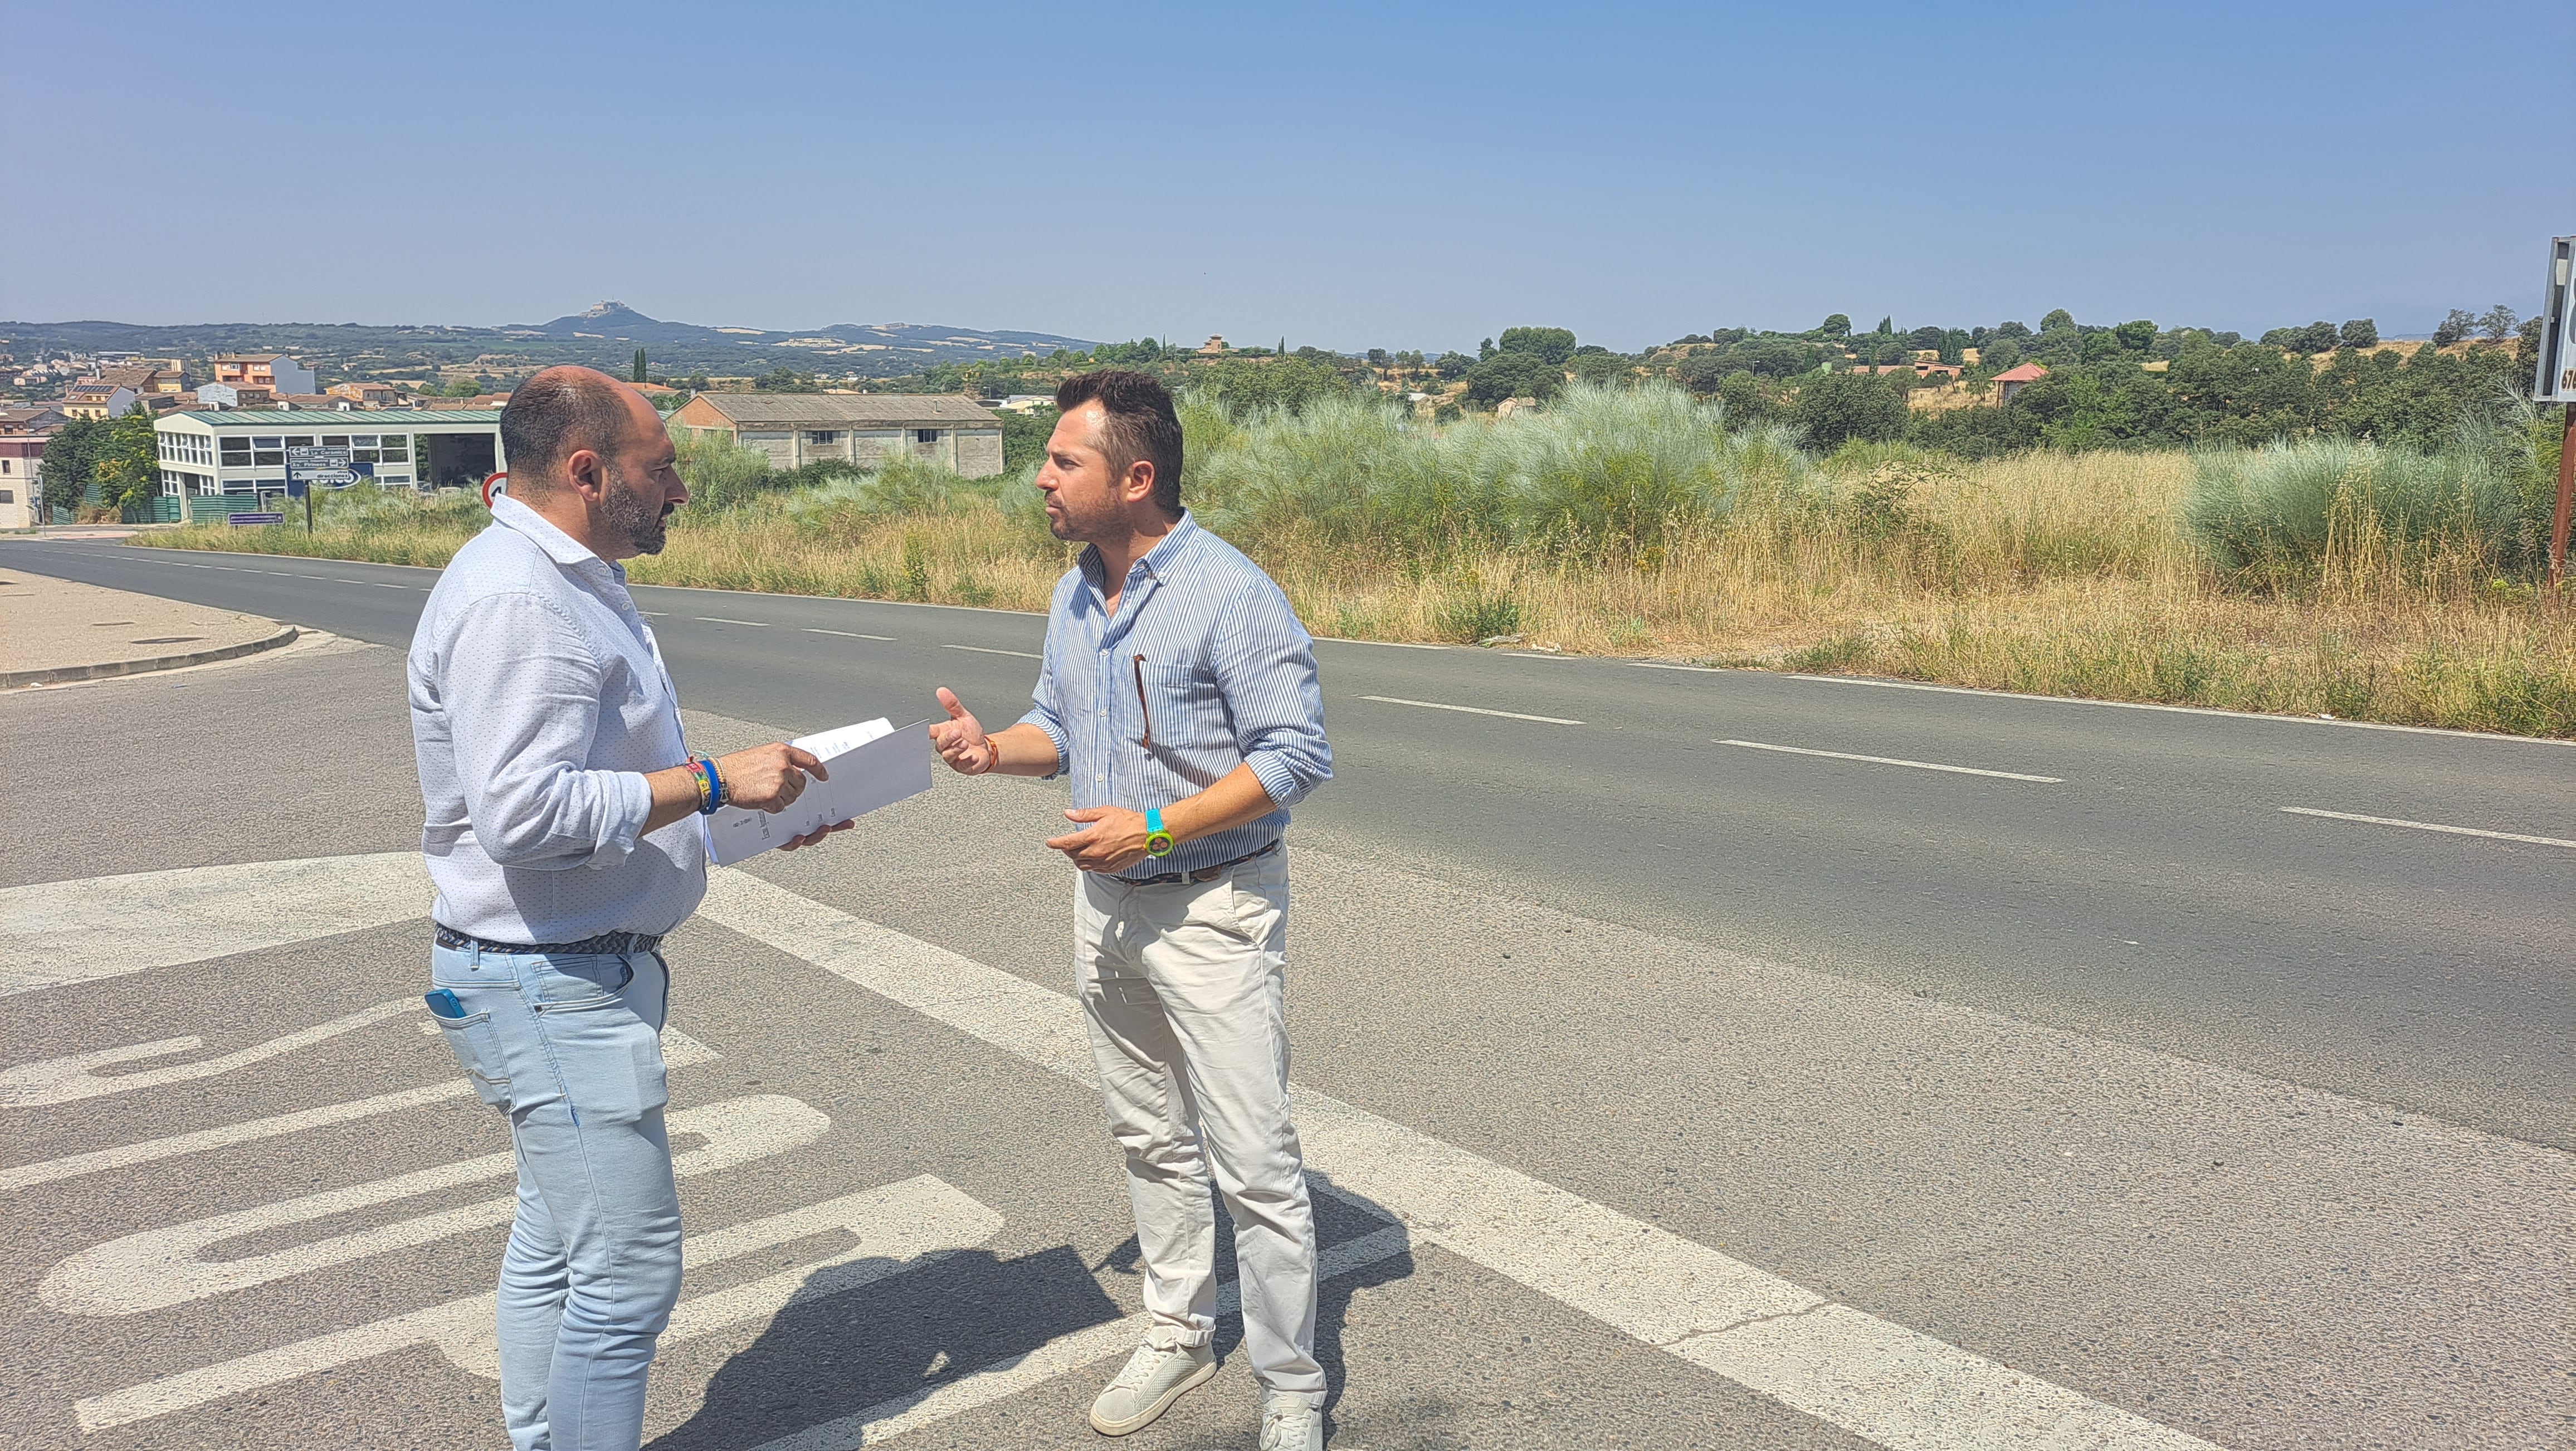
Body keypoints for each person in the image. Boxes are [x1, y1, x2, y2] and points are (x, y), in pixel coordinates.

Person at [407, 366, 851, 1451]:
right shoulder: (522, 600)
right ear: (586, 470)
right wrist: (708, 784)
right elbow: (523, 815)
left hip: (550, 974)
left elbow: (586, 788)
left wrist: (743, 812)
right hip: (551, 988)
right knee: (626, 1276)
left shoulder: (551, 573)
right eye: (661, 470)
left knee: (557, 1246)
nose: (679, 492)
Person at [928, 370, 1335, 1451]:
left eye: (1064, 460)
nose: (1042, 477)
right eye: (1047, 458)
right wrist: (989, 752)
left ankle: (1291, 1383)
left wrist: (1156, 831)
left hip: (1212, 906)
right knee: (1149, 1137)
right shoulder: (1074, 590)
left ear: (1137, 477)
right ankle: (1175, 1331)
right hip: (1104, 903)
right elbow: (1059, 725)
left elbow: (1294, 758)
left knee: (1251, 1160)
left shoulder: (1232, 594)